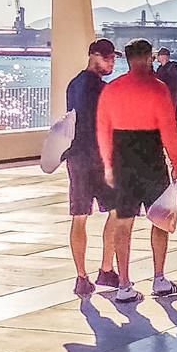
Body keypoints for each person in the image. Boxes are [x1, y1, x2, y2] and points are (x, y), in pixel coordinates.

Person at [96, 38, 177, 301]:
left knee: (123, 222)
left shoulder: (112, 90)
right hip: (152, 160)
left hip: (122, 161)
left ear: (127, 59)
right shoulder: (158, 89)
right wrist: (176, 164)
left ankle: (124, 285)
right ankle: (159, 278)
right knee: (160, 219)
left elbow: (103, 131)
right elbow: (169, 130)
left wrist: (107, 165)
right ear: (148, 57)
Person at [63, 38, 121, 296]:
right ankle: (106, 269)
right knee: (117, 211)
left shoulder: (73, 84)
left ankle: (82, 276)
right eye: (107, 58)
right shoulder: (102, 89)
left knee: (80, 215)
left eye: (113, 58)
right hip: (97, 158)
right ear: (93, 56)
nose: (111, 63)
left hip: (76, 158)